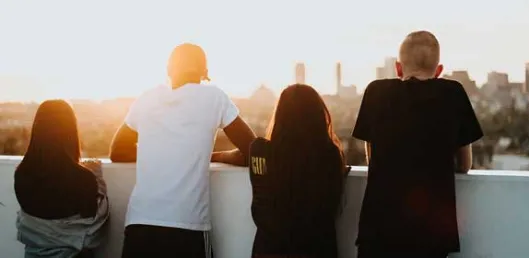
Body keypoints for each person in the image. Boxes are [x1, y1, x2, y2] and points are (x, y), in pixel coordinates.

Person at [110, 43, 257, 258]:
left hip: (140, 225)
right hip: (187, 227)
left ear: (169, 70)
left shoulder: (147, 98)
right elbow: (252, 149)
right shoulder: (214, 98)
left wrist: (158, 152)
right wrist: (209, 157)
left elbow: (117, 151)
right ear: (204, 73)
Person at [352, 31, 483, 258]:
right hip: (430, 235)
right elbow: (464, 164)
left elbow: (372, 156)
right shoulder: (453, 94)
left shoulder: (376, 92)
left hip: (379, 229)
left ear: (398, 68)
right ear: (439, 71)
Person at [220, 84, 349, 258]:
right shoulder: (329, 156)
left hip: (268, 251)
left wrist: (211, 157)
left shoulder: (260, 151)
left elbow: (241, 155)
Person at [14, 100, 109, 258]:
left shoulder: (22, 174)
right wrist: (96, 177)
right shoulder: (83, 179)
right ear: (71, 131)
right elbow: (93, 231)